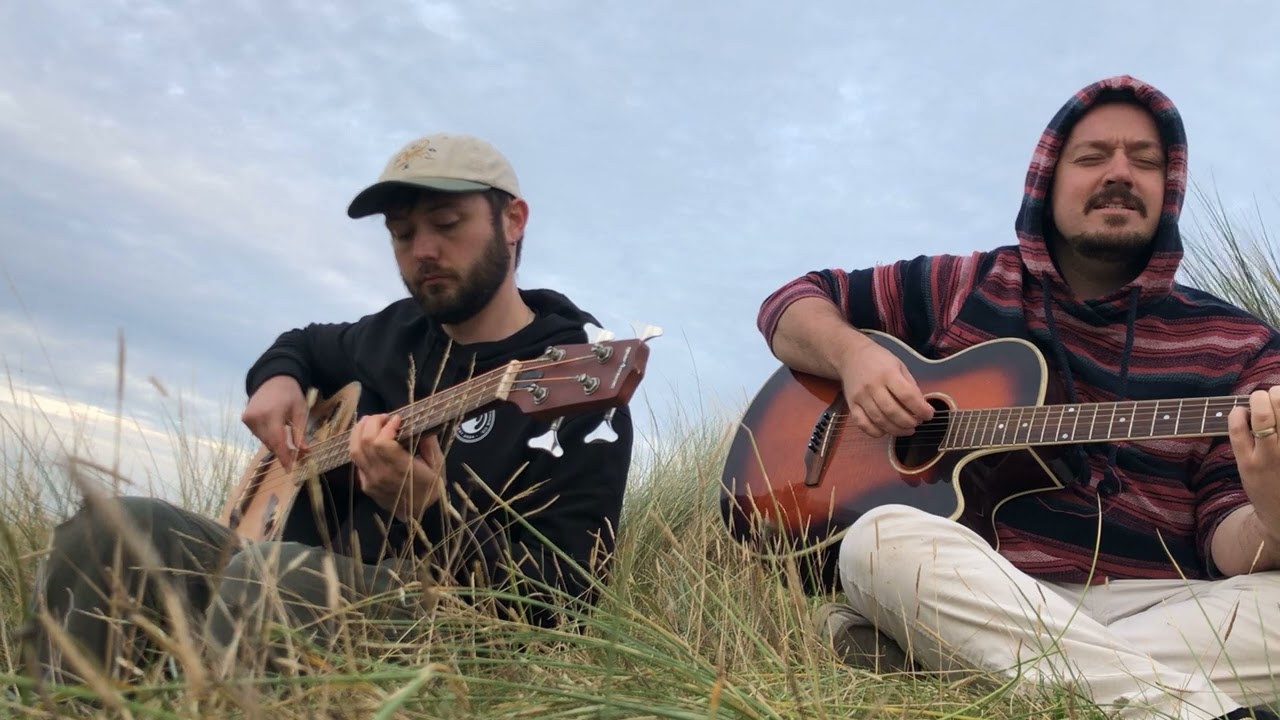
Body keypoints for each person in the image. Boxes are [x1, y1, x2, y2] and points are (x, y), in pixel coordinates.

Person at [755, 75, 1280, 720]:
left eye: (1145, 161)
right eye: (1092, 157)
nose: (1120, 173)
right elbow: (790, 304)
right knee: (879, 541)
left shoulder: (1242, 342)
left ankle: (945, 671)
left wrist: (1274, 509)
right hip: (980, 585)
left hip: (1161, 603)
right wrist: (856, 356)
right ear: (1047, 181)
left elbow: (1232, 547)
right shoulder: (969, 285)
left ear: (1168, 188)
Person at [24, 132, 635, 683]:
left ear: (513, 220)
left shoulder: (579, 389)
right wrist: (277, 375)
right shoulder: (394, 333)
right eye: (401, 234)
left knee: (271, 578)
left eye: (447, 223)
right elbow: (305, 343)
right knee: (114, 527)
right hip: (294, 575)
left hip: (453, 631)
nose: (422, 250)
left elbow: (561, 605)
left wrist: (426, 509)